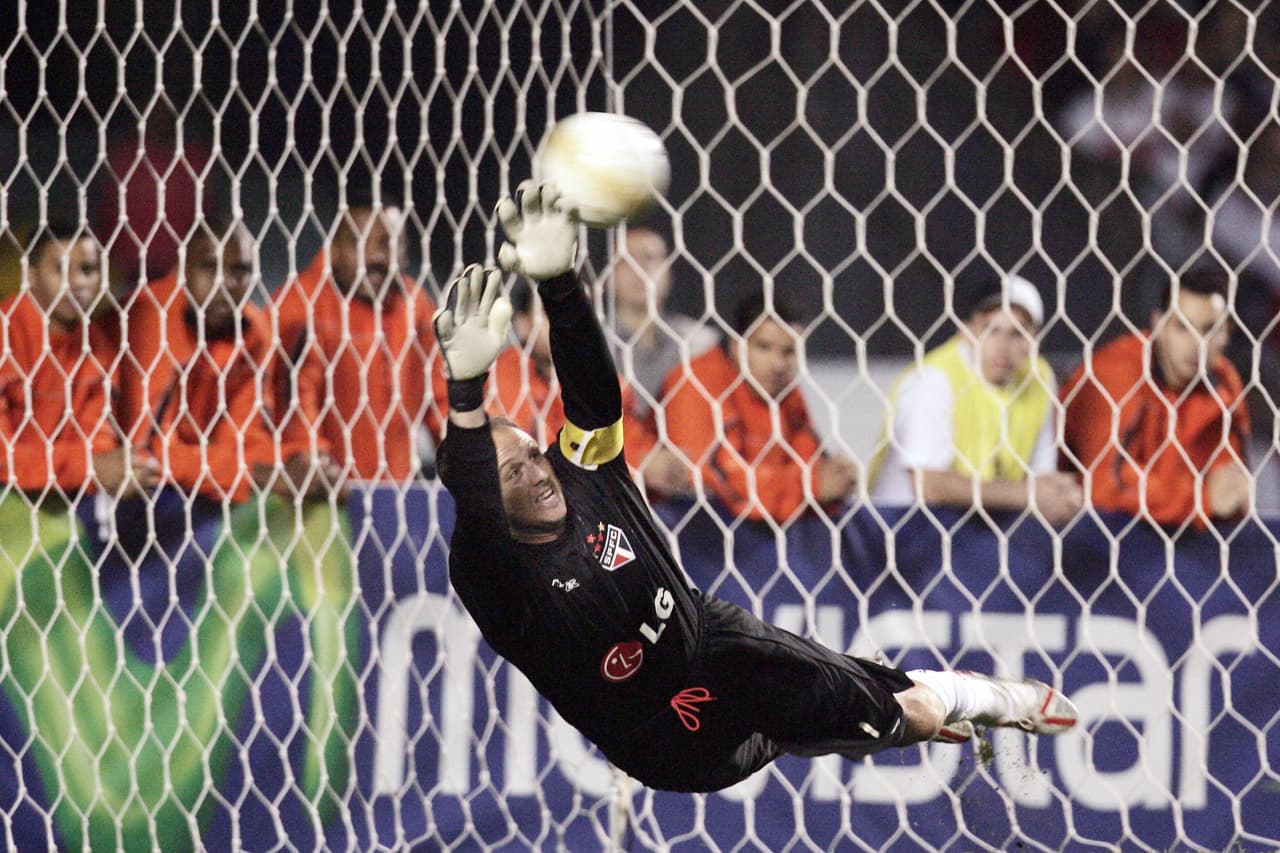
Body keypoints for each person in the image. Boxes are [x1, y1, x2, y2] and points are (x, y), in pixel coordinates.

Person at [433, 181, 1078, 793]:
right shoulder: (494, 574)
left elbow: (595, 397)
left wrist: (560, 283)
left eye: (532, 453)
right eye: (513, 472)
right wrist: (464, 395)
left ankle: (979, 696)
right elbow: (475, 496)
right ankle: (853, 712)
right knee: (834, 725)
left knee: (910, 714)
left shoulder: (582, 473)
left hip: (724, 649)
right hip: (665, 746)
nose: (537, 470)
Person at [120, 217, 329, 502]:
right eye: (210, 267)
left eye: (240, 271)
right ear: (182, 269)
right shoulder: (149, 320)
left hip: (199, 479)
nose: (226, 282)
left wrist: (295, 459)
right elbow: (147, 451)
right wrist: (252, 474)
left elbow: (244, 436)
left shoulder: (254, 331)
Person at [868, 276, 1082, 525]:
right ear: (967, 331)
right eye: (991, 330)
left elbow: (1041, 478)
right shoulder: (932, 380)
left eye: (1017, 333)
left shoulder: (1039, 378)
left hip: (980, 521)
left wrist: (1058, 496)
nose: (1002, 346)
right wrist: (1027, 495)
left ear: (1035, 338)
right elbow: (929, 485)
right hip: (903, 523)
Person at [272, 186, 448, 482]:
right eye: (360, 242)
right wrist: (309, 455)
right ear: (335, 248)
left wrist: (469, 456)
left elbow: (441, 394)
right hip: (319, 491)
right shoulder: (298, 305)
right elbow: (293, 397)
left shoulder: (415, 305)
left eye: (390, 243)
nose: (377, 256)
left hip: (396, 489)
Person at [1060, 268, 1250, 528]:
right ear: (1159, 325)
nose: (1196, 343)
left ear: (1227, 332)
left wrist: (1215, 499)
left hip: (1177, 528)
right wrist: (1200, 501)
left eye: (1209, 329)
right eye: (1182, 327)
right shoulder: (1115, 372)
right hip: (1089, 532)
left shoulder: (1224, 381)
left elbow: (1231, 488)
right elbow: (1105, 484)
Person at [660, 290, 857, 523]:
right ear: (736, 345)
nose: (777, 364)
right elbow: (710, 480)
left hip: (758, 528)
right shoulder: (694, 383)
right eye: (764, 347)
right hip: (691, 526)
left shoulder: (785, 392)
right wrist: (810, 486)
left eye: (788, 351)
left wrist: (835, 478)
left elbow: (811, 459)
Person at [0, 222, 159, 497]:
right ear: (30, 275)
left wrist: (107, 469)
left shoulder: (97, 348)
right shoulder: (6, 335)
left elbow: (98, 443)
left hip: (60, 490)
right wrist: (89, 466)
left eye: (87, 270)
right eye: (60, 269)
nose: (77, 283)